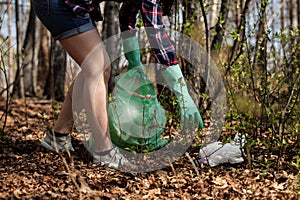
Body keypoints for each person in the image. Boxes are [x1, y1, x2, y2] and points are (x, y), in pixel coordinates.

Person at [31, 0, 135, 170]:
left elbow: (132, 15)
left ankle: (58, 136)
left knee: (97, 68)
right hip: (61, 4)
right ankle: (104, 151)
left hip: (70, 5)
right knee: (98, 67)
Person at [118, 0, 204, 130]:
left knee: (93, 68)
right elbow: (156, 35)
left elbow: (127, 15)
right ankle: (102, 147)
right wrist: (182, 93)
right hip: (79, 9)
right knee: (94, 68)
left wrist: (134, 60)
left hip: (81, 10)